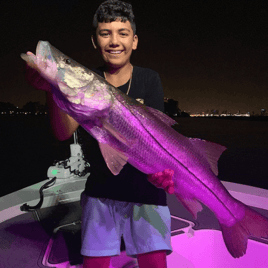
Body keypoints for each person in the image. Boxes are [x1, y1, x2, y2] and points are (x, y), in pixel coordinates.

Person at [24, 1, 173, 267]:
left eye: (122, 33)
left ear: (134, 41)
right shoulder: (85, 80)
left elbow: (158, 137)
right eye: (105, 33)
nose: (114, 41)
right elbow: (62, 132)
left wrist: (164, 173)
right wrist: (51, 89)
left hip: (148, 194)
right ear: (95, 41)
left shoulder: (149, 79)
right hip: (101, 193)